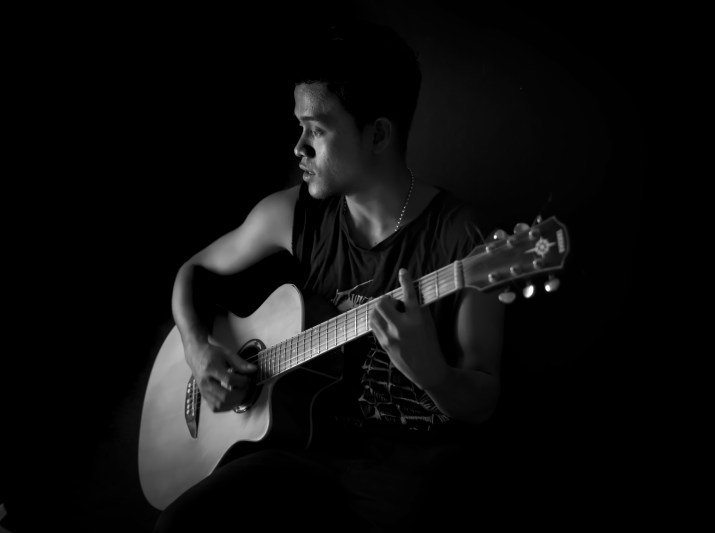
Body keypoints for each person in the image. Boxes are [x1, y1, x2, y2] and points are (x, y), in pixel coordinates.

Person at [154, 20, 505, 532]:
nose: (298, 147)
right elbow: (194, 271)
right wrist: (197, 347)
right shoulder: (293, 215)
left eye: (316, 129)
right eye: (300, 127)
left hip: (403, 474)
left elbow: (484, 401)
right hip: (299, 452)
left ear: (378, 134)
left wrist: (435, 375)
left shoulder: (467, 241)